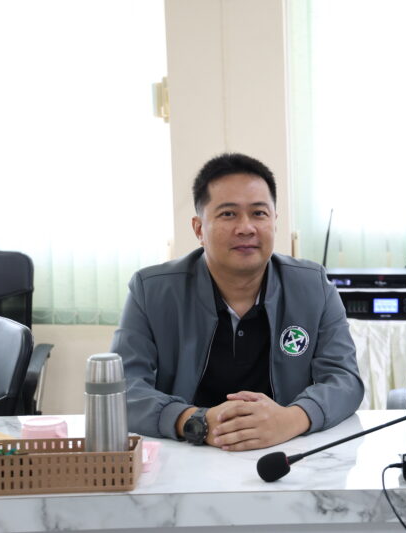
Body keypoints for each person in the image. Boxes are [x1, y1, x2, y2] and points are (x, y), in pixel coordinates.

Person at [111, 153, 364, 450]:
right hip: (185, 453)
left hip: (285, 453)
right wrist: (195, 421)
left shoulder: (313, 286)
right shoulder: (151, 290)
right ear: (199, 229)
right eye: (228, 214)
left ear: (274, 222)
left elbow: (345, 379)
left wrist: (291, 419)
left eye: (259, 213)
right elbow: (122, 390)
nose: (246, 227)